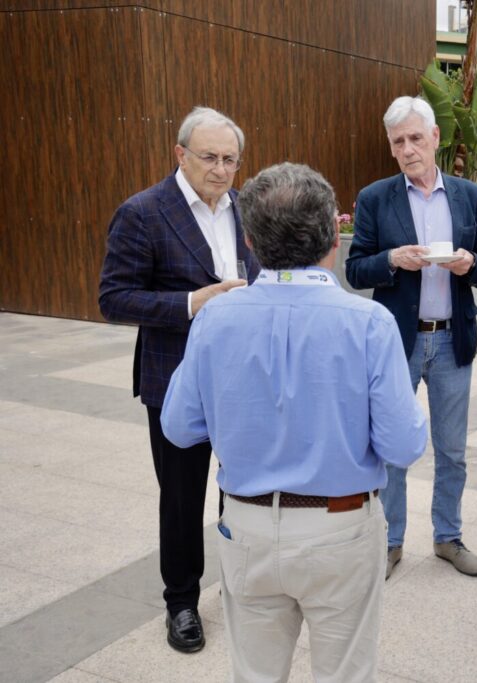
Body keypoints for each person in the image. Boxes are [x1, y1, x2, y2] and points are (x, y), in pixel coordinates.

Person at [161, 162, 427, 682]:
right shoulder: (369, 322)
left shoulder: (216, 316)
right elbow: (403, 445)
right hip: (341, 526)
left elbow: (179, 427)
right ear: (332, 237)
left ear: (250, 240)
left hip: (247, 524)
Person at [98, 106, 258, 653]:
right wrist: (193, 302)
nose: (221, 169)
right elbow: (114, 298)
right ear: (180, 154)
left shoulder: (246, 208)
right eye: (209, 157)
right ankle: (183, 602)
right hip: (175, 380)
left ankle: (241, 584)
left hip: (241, 380)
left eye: (231, 160)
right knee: (182, 498)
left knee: (243, 489)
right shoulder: (143, 212)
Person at [346, 96, 477, 580]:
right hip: (398, 342)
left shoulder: (469, 196)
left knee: (452, 449)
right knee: (393, 447)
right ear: (391, 148)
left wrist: (469, 264)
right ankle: (389, 541)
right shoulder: (375, 198)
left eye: (415, 138)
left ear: (434, 137)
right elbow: (355, 269)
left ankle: (448, 536)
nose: (408, 149)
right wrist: (392, 260)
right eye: (398, 142)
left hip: (453, 340)